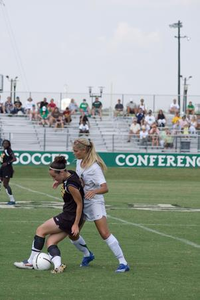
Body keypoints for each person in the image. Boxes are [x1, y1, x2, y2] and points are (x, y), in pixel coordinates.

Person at [67, 138, 130, 273]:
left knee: (104, 233)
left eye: (76, 151)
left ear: (84, 150)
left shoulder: (94, 168)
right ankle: (87, 254)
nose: (74, 153)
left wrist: (94, 191)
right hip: (82, 202)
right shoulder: (79, 162)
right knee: (72, 233)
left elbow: (105, 188)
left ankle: (123, 262)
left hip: (95, 202)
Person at [14, 156, 85, 273]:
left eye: (54, 176)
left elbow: (79, 204)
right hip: (71, 217)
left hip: (69, 217)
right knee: (51, 242)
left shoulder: (71, 185)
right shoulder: (70, 174)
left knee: (40, 230)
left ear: (62, 172)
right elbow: (70, 180)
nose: (53, 179)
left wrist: (76, 224)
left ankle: (30, 262)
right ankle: (58, 266)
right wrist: (58, 181)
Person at [0, 140, 16, 205]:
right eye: (4, 143)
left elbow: (14, 158)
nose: (5, 144)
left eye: (6, 143)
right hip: (3, 168)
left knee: (5, 184)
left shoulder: (9, 150)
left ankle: (12, 200)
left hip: (7, 169)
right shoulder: (4, 151)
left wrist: (7, 163)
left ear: (9, 144)